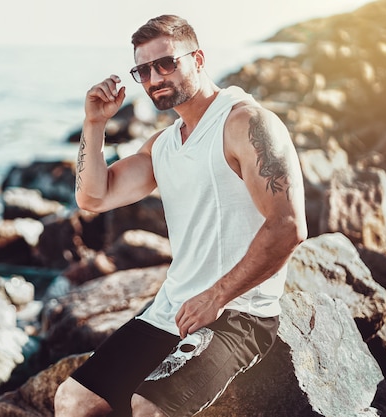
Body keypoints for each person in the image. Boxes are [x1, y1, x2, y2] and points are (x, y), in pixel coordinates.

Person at [54, 14, 307, 417]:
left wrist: (217, 295)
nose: (155, 77)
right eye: (143, 70)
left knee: (148, 408)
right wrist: (94, 123)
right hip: (171, 310)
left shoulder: (244, 122)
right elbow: (93, 198)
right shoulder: (163, 146)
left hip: (238, 313)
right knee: (74, 400)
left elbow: (289, 226)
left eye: (166, 63)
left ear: (199, 59)